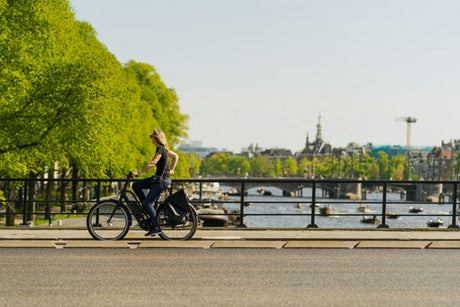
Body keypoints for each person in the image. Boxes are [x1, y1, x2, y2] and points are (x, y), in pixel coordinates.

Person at [132, 129, 178, 236]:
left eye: (152, 137)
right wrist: (171, 170)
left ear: (155, 138)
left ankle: (156, 227)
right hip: (159, 179)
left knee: (148, 203)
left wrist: (138, 172)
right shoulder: (165, 149)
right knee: (136, 185)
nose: (151, 139)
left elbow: (153, 163)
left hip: (162, 181)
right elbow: (176, 156)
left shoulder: (161, 149)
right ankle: (146, 208)